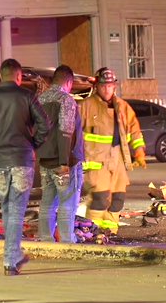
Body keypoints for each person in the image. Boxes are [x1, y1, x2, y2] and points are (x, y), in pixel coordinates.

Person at [0, 58, 51, 275]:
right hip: (22, 160)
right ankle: (10, 260)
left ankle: (14, 254)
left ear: (0, 76)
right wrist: (33, 144)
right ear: (19, 76)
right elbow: (45, 125)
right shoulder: (27, 97)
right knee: (15, 208)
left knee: (8, 207)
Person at [79, 67, 145, 235]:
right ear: (97, 87)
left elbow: (134, 131)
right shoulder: (85, 107)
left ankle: (109, 232)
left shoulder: (122, 107)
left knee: (118, 200)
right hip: (96, 162)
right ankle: (91, 231)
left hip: (117, 161)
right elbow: (73, 135)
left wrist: (139, 152)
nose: (107, 90)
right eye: (103, 86)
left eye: (110, 86)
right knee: (100, 199)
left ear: (114, 86)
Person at [36, 64, 85, 243]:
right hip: (63, 162)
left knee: (47, 202)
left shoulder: (40, 99)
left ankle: (45, 239)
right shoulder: (65, 100)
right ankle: (66, 241)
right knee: (67, 203)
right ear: (69, 82)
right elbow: (66, 131)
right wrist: (64, 162)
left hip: (44, 161)